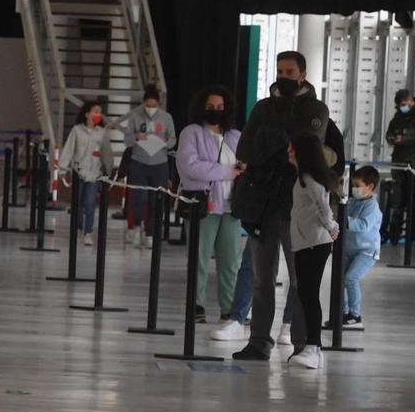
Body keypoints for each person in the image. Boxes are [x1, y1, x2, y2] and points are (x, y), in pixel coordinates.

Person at [231, 64, 332, 361]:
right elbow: (247, 150)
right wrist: (279, 144)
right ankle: (259, 341)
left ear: (302, 74)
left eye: (289, 71)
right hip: (263, 203)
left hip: (297, 206)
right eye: (280, 70)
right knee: (262, 277)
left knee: (300, 279)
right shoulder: (263, 107)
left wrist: (272, 141)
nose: (283, 75)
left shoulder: (315, 108)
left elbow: (309, 146)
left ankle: (303, 343)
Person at [177, 86, 245, 337]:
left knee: (230, 263)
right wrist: (228, 172)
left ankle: (230, 310)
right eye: (210, 106)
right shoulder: (191, 133)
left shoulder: (236, 136)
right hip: (203, 206)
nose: (216, 111)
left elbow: (246, 164)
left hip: (232, 207)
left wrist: (242, 168)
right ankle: (195, 306)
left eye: (220, 107)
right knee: (199, 259)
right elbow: (190, 166)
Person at [285, 136, 340, 370]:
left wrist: (332, 227)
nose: (288, 151)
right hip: (304, 242)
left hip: (315, 244)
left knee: (309, 293)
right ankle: (313, 347)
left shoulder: (309, 179)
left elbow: (322, 206)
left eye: (292, 148)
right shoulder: (301, 178)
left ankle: (313, 345)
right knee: (306, 293)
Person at [119, 87, 176, 246]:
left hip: (159, 163)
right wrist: (137, 136)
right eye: (148, 105)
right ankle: (136, 226)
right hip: (139, 162)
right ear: (144, 103)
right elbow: (127, 140)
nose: (150, 109)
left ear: (159, 103)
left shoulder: (166, 117)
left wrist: (164, 142)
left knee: (155, 200)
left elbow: (173, 139)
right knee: (139, 197)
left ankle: (150, 232)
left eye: (153, 105)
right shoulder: (135, 117)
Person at [57, 100, 112, 246]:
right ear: (87, 114)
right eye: (95, 111)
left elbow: (107, 153)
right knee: (78, 203)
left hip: (94, 174)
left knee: (89, 203)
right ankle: (78, 226)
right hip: (78, 171)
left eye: (100, 112)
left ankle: (88, 232)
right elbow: (69, 150)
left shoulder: (102, 133)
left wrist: (108, 172)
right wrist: (62, 169)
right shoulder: (77, 130)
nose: (98, 115)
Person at [341, 164, 383, 327]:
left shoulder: (372, 207)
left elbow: (362, 225)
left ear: (370, 187)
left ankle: (355, 315)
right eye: (353, 185)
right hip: (349, 249)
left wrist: (345, 221)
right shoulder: (352, 201)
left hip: (366, 251)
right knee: (340, 280)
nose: (354, 189)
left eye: (358, 186)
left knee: (350, 279)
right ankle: (343, 313)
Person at [383, 88, 415, 243]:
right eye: (399, 105)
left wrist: (403, 139)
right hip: (398, 162)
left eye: (404, 104)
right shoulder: (398, 117)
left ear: (411, 101)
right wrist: (391, 138)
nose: (402, 108)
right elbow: (389, 132)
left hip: (412, 162)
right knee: (397, 200)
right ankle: (393, 234)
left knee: (411, 198)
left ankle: (411, 234)